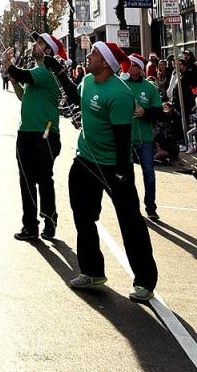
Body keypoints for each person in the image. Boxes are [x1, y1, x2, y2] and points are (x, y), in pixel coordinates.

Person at [45, 40, 158, 303]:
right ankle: (92, 271)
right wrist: (59, 72)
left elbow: (123, 137)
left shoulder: (119, 94)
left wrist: (121, 172)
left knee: (130, 223)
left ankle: (145, 281)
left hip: (114, 166)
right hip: (85, 160)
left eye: (94, 54)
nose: (89, 57)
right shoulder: (87, 80)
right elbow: (77, 96)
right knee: (83, 216)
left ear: (106, 63)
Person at [3, 34, 67, 241]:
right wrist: (14, 82)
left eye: (40, 44)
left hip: (45, 134)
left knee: (43, 179)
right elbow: (23, 95)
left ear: (49, 51)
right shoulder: (35, 72)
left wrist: (7, 64)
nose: (35, 45)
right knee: (26, 181)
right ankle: (30, 226)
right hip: (26, 132)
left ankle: (49, 219)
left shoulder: (46, 72)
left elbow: (20, 74)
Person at [126, 53, 169, 223]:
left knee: (149, 173)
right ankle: (131, 207)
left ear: (139, 68)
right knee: (126, 176)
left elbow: (160, 112)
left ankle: (150, 207)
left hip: (145, 138)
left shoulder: (149, 88)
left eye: (131, 64)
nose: (127, 67)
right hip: (126, 138)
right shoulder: (121, 84)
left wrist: (145, 113)